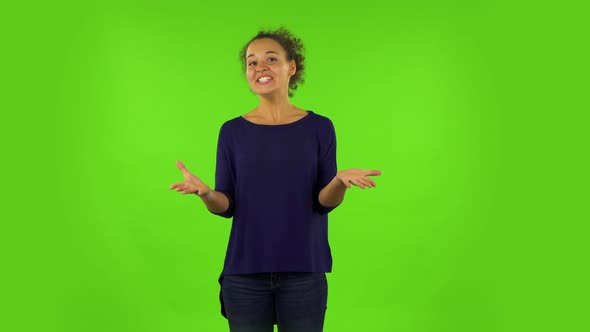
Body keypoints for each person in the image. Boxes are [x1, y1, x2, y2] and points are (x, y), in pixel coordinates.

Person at [169, 26, 382, 332]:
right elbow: (226, 205)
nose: (260, 68)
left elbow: (323, 203)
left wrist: (338, 182)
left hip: (304, 273)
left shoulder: (320, 128)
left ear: (291, 67)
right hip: (244, 276)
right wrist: (205, 193)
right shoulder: (231, 132)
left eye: (270, 59)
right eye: (252, 62)